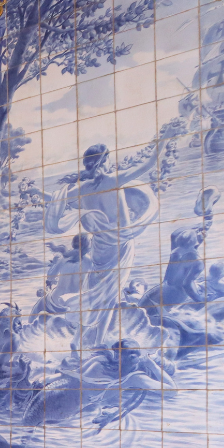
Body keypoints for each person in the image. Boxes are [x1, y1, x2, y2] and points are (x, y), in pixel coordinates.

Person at [44, 143, 164, 349]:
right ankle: (94, 340)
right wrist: (165, 139)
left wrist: (35, 192)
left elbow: (55, 201)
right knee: (109, 295)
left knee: (101, 293)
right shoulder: (113, 180)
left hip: (99, 248)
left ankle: (82, 340)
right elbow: (150, 163)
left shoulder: (81, 190)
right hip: (120, 246)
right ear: (105, 160)